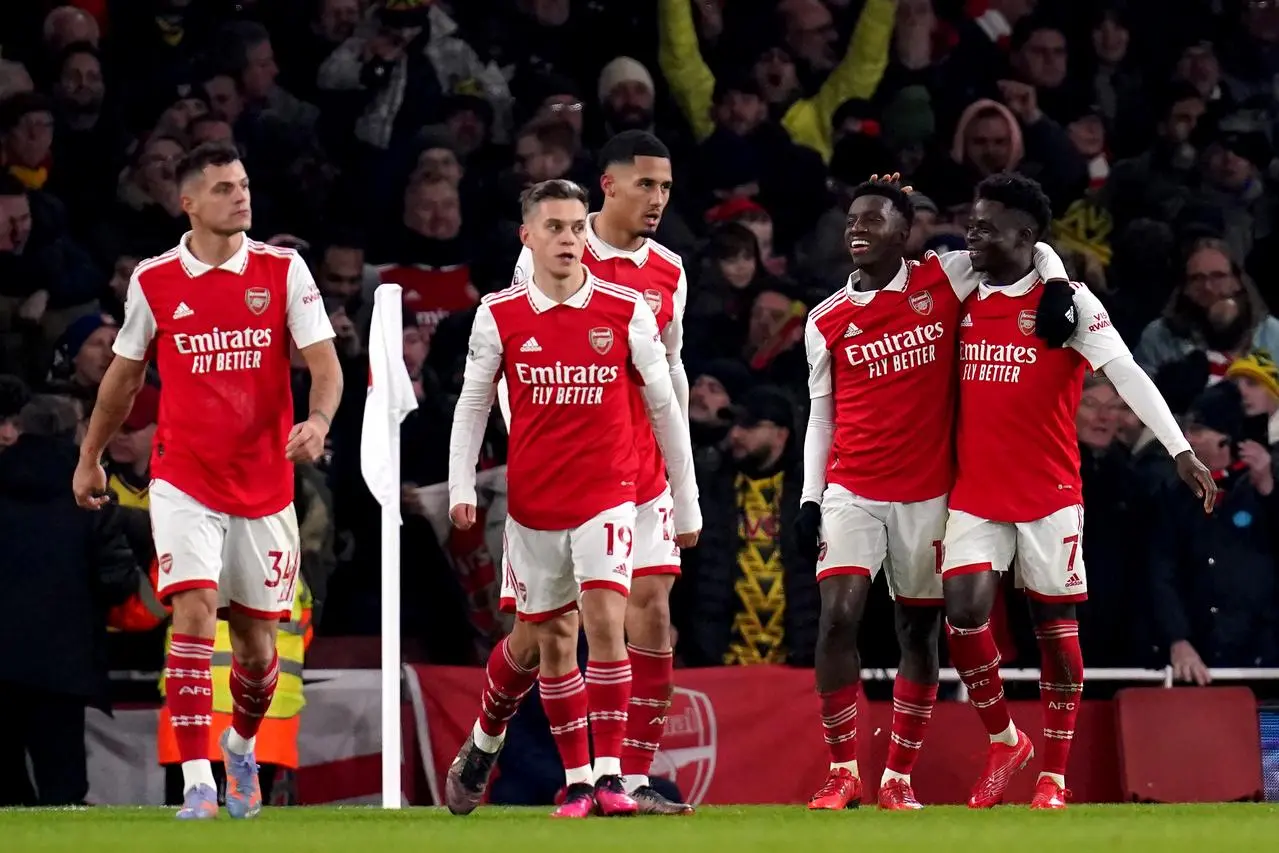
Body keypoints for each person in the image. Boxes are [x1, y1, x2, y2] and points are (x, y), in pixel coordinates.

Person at [70, 141, 341, 820]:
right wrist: (90, 455)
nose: (241, 196)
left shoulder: (282, 269)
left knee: (255, 651)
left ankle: (241, 743)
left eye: (244, 184)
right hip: (183, 475)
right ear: (187, 202)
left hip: (264, 482)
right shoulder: (156, 279)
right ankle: (198, 781)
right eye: (223, 188)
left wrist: (318, 418)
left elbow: (325, 363)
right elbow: (123, 378)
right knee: (191, 610)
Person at [940, 172, 1215, 810]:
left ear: (1026, 236)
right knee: (961, 611)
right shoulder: (961, 286)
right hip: (976, 490)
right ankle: (1006, 738)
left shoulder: (1072, 306)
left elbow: (1129, 374)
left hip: (1050, 492)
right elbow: (910, 261)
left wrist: (1179, 448)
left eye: (985, 228)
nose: (972, 236)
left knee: (1054, 627)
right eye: (972, 224)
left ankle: (1053, 777)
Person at [797, 175, 1070, 811]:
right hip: (852, 488)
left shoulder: (946, 276)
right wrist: (812, 495)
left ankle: (897, 777)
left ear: (906, 232)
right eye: (853, 220)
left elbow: (1029, 247)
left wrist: (1055, 283)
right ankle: (843, 772)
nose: (858, 230)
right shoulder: (825, 320)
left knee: (917, 634)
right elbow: (821, 416)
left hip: (928, 494)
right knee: (838, 616)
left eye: (873, 220)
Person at [448, 131, 697, 816]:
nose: (657, 199)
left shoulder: (669, 269)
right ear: (609, 186)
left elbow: (668, 369)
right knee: (535, 641)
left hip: (635, 474)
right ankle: (486, 733)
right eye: (646, 185)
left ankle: (625, 776)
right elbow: (509, 376)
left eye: (666, 187)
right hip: (555, 473)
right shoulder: (546, 259)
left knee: (645, 614)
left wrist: (683, 483)